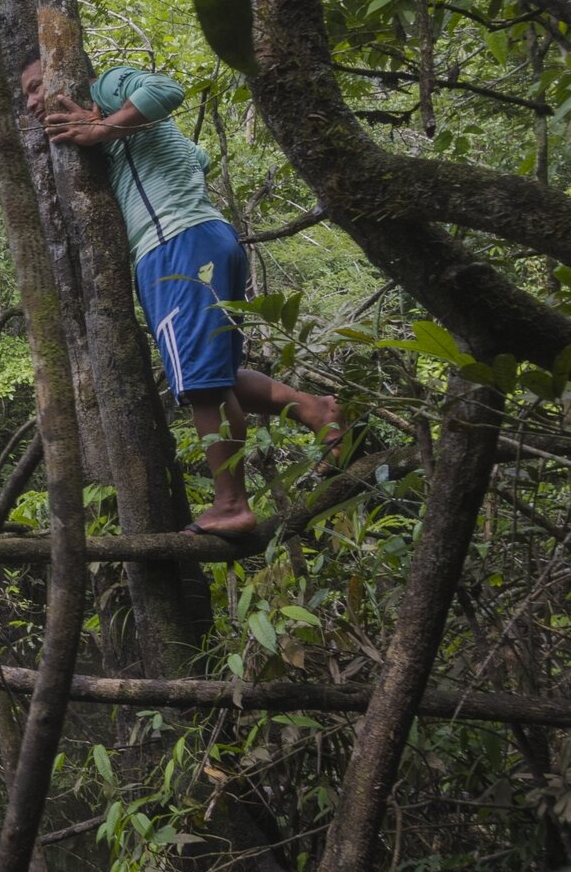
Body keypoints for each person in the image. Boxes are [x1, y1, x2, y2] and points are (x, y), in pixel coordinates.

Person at [20, 53, 343, 538]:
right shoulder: (117, 127)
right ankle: (315, 409)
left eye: (37, 85)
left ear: (70, 76)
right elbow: (197, 157)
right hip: (202, 239)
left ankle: (232, 505)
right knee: (216, 374)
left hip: (177, 244)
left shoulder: (106, 87)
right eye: (25, 94)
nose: (31, 101)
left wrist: (106, 127)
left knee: (202, 388)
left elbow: (167, 90)